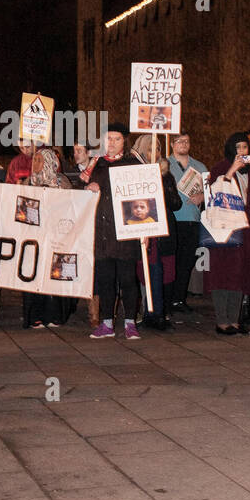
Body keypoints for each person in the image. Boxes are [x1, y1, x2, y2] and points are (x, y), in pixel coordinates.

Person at [203, 133, 250, 335]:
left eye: (245, 148)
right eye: (238, 147)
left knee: (240, 274)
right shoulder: (221, 168)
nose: (242, 152)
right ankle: (222, 320)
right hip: (225, 229)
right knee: (223, 275)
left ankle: (235, 319)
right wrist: (230, 172)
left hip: (246, 230)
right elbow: (214, 193)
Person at [87, 124, 144, 340]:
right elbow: (83, 193)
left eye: (116, 139)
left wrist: (145, 231)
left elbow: (145, 196)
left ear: (124, 141)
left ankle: (130, 322)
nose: (111, 142)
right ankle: (106, 323)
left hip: (125, 233)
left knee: (128, 279)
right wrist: (89, 189)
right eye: (108, 138)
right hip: (102, 232)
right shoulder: (97, 164)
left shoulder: (133, 163)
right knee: (105, 279)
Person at [128, 138, 182, 331]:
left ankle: (158, 313)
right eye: (151, 148)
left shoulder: (166, 175)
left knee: (160, 271)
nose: (155, 151)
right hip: (142, 228)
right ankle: (148, 311)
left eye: (158, 148)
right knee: (145, 272)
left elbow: (176, 203)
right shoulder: (135, 172)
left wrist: (161, 183)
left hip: (161, 232)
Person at [22, 147, 73, 329]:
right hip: (34, 238)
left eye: (39, 160)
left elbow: (71, 207)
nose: (35, 164)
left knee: (54, 275)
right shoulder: (28, 183)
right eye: (34, 160)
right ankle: (35, 315)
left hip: (55, 237)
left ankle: (54, 315)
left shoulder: (61, 183)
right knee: (35, 276)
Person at [167, 133, 207, 311]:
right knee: (171, 260)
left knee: (187, 261)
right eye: (179, 141)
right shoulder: (164, 165)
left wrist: (203, 196)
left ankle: (179, 298)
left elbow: (210, 192)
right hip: (173, 220)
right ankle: (168, 298)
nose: (183, 144)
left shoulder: (199, 166)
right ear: (171, 144)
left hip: (192, 220)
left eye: (186, 141)